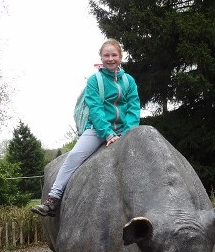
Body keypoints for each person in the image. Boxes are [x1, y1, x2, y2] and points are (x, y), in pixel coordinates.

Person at [32, 38, 140, 216]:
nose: (110, 58)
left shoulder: (129, 81)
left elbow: (133, 108)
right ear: (101, 57)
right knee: (74, 156)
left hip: (125, 129)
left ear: (120, 57)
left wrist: (127, 134)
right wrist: (108, 134)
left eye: (114, 55)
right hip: (99, 130)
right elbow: (96, 109)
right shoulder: (94, 81)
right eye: (107, 55)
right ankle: (53, 198)